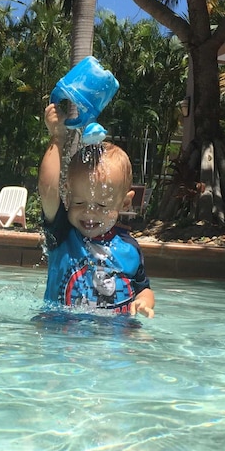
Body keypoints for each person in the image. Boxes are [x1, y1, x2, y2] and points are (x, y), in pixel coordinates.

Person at [38, 103, 155, 317]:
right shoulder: (63, 234)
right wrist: (57, 137)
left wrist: (144, 302)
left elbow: (143, 288)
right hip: (63, 335)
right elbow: (48, 190)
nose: (89, 213)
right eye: (79, 203)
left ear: (125, 204)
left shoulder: (129, 248)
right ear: (67, 195)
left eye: (101, 206)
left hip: (114, 339)